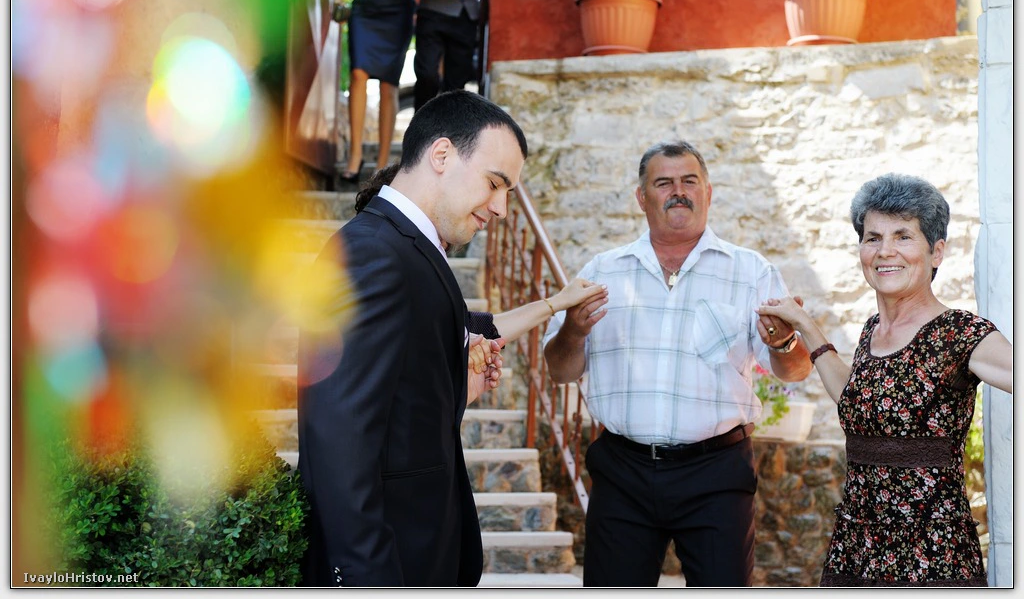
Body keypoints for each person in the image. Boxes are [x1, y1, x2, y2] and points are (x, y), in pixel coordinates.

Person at [543, 141, 813, 587]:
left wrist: (784, 342)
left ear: (708, 192)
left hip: (716, 474)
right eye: (664, 183)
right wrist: (572, 330)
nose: (678, 192)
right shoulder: (602, 272)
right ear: (641, 197)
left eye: (689, 181)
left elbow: (796, 371)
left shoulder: (752, 272)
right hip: (623, 472)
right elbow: (559, 371)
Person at [297, 90, 528, 586]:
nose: (502, 208)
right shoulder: (371, 254)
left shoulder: (408, 249)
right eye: (495, 183)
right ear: (441, 155)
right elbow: (339, 442)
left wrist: (453, 387)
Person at [757, 173, 1013, 587]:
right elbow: (853, 399)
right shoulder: (871, 331)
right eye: (872, 238)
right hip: (856, 549)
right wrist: (803, 324)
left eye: (903, 236)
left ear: (937, 252)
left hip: (931, 555)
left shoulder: (960, 333)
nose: (884, 251)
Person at [354, 163, 610, 342]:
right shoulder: (376, 255)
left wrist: (558, 302)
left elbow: (481, 327)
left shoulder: (425, 270)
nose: (500, 210)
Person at [332, 0, 416, 183]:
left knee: (388, 86)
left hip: (398, 10)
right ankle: (355, 155)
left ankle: (382, 165)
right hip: (365, 7)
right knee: (358, 74)